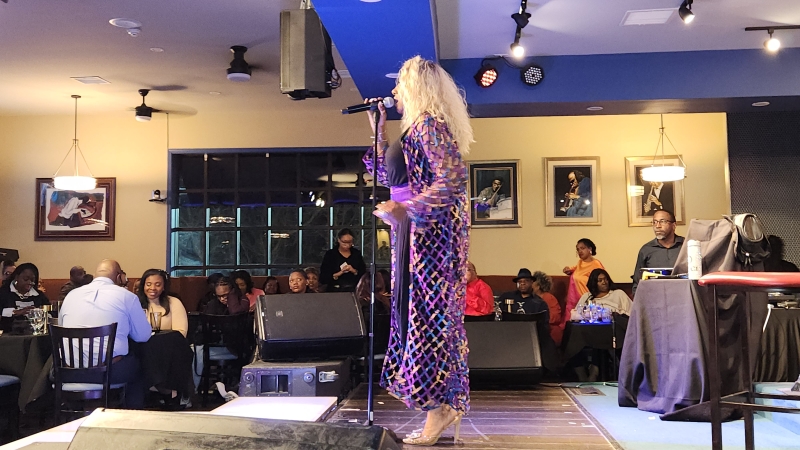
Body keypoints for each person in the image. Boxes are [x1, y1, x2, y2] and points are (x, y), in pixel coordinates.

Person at [363, 56, 472, 445]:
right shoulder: (414, 129)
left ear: (416, 87)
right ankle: (439, 407)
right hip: (411, 235)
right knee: (417, 319)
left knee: (427, 321)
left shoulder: (428, 124)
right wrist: (378, 131)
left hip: (428, 240)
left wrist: (407, 209)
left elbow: (453, 179)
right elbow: (383, 174)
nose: (393, 90)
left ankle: (439, 409)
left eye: (399, 83)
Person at [59, 259, 152, 408]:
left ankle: (65, 413)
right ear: (119, 277)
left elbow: (61, 327)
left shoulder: (71, 295)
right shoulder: (127, 297)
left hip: (68, 372)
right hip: (109, 373)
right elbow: (143, 336)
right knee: (140, 365)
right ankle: (131, 415)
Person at [136, 269, 192, 406]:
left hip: (169, 349)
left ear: (164, 286)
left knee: (172, 347)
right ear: (143, 285)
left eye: (157, 284)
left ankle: (169, 392)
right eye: (148, 284)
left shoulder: (173, 302)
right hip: (144, 346)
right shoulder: (135, 303)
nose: (152, 288)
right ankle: (160, 390)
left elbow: (181, 333)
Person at [631, 210, 684, 295]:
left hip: (683, 296)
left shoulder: (687, 246)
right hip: (655, 298)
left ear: (674, 225)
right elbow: (637, 283)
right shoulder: (646, 250)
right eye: (654, 222)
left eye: (662, 221)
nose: (657, 226)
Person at [0, 263, 50, 332]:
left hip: (34, 333)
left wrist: (39, 313)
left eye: (32, 280)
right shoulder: (3, 293)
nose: (29, 282)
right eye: (26, 279)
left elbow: (50, 313)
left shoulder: (39, 295)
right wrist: (16, 312)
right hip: (8, 334)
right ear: (16, 277)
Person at [563, 238, 604, 316]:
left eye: (582, 248)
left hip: (588, 301)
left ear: (590, 249)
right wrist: (568, 270)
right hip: (573, 301)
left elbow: (601, 281)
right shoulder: (580, 263)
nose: (580, 251)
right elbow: (574, 271)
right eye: (578, 249)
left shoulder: (596, 264)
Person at [531, 271, 564, 346]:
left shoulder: (549, 298)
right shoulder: (531, 298)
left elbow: (556, 317)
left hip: (549, 333)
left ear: (538, 286)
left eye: (532, 283)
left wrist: (539, 319)